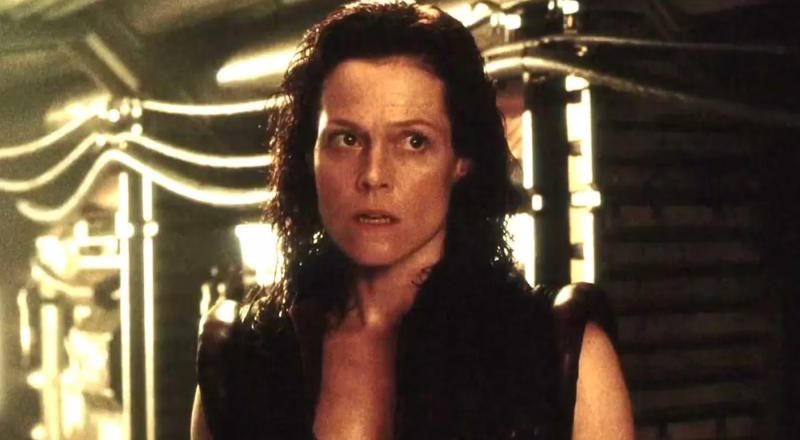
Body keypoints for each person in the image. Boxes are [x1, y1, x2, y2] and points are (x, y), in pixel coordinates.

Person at [191, 1, 633, 439]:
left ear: (461, 160)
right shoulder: (240, 359)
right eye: (347, 139)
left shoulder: (560, 355)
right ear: (310, 156)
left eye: (414, 142)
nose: (373, 175)